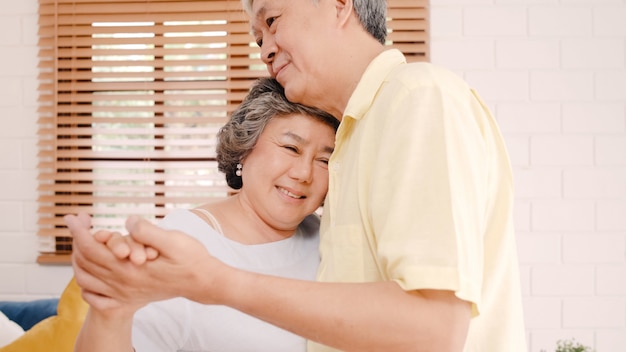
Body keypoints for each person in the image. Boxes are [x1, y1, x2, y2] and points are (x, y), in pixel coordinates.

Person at [67, 0, 527, 351]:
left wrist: (215, 281)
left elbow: (433, 329)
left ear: (340, 4)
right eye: (256, 36)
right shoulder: (359, 133)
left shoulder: (417, 98)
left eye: (272, 20)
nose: (265, 47)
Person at [67, 77, 339, 352]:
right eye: (291, 148)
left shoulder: (328, 239)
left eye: (324, 160)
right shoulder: (183, 241)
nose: (304, 174)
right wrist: (110, 312)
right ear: (245, 148)